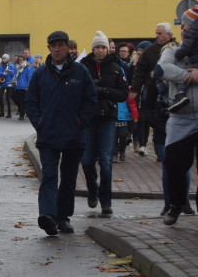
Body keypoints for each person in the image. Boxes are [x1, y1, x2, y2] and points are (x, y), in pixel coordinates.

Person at [26, 30, 98, 236]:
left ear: (67, 47)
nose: (57, 49)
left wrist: (80, 121)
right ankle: (48, 216)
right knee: (49, 175)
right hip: (47, 135)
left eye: (61, 45)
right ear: (48, 48)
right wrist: (39, 122)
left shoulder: (80, 72)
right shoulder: (40, 74)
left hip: (73, 136)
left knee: (68, 178)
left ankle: (64, 217)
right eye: (53, 45)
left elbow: (90, 100)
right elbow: (30, 102)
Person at [160, 10, 198, 227]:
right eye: (182, 27)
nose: (183, 30)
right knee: (174, 164)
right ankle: (176, 203)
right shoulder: (173, 50)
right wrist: (191, 77)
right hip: (180, 118)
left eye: (187, 26)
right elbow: (163, 69)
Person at [79, 31, 129, 217]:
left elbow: (123, 93)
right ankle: (93, 189)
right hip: (89, 119)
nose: (100, 51)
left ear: (107, 49)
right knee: (87, 161)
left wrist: (104, 91)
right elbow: (79, 89)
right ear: (93, 49)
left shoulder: (116, 67)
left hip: (108, 118)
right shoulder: (84, 66)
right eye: (97, 48)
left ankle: (106, 201)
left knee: (106, 161)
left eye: (103, 48)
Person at [132, 24, 177, 155]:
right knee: (152, 115)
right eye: (156, 33)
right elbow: (139, 70)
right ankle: (159, 147)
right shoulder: (150, 51)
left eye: (160, 33)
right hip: (153, 87)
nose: (156, 36)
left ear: (168, 35)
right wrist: (135, 89)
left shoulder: (177, 48)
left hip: (174, 89)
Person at [169, 5, 198, 112]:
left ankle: (180, 94)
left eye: (183, 25)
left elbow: (186, 48)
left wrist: (177, 55)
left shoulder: (191, 33)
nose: (183, 28)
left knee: (185, 75)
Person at [15, 54, 34, 121]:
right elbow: (15, 76)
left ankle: (22, 115)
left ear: (24, 60)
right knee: (16, 99)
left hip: (24, 87)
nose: (20, 61)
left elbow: (29, 78)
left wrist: (27, 86)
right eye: (19, 59)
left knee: (22, 101)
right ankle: (23, 110)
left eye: (21, 59)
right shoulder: (17, 67)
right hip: (17, 86)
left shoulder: (27, 67)